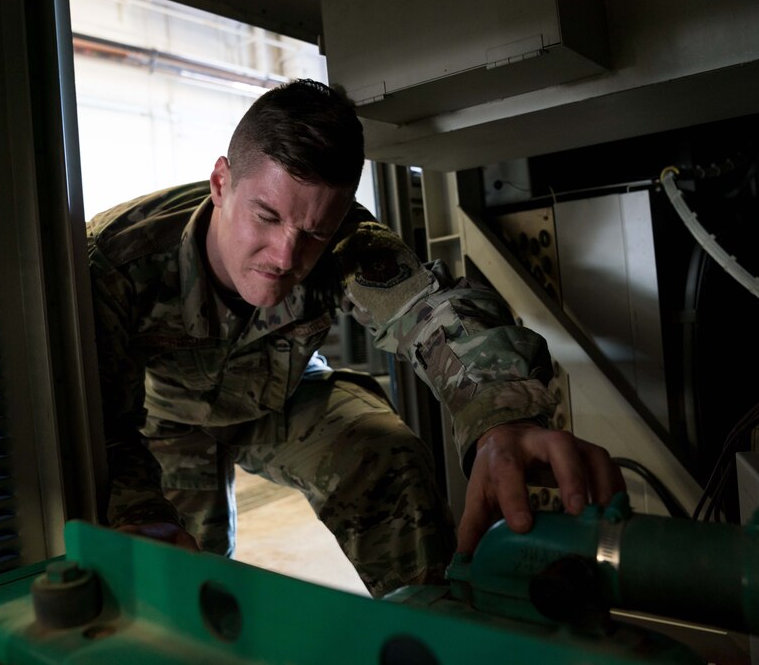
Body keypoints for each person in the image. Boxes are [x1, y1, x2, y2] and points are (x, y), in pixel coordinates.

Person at [87, 78, 623, 597]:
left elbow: (428, 311)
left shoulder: (347, 238)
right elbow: (97, 423)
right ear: (221, 182)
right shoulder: (114, 259)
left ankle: (436, 630)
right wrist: (137, 515)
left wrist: (502, 415)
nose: (285, 255)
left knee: (387, 460)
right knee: (179, 575)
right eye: (266, 216)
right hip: (162, 420)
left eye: (314, 233)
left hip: (282, 392)